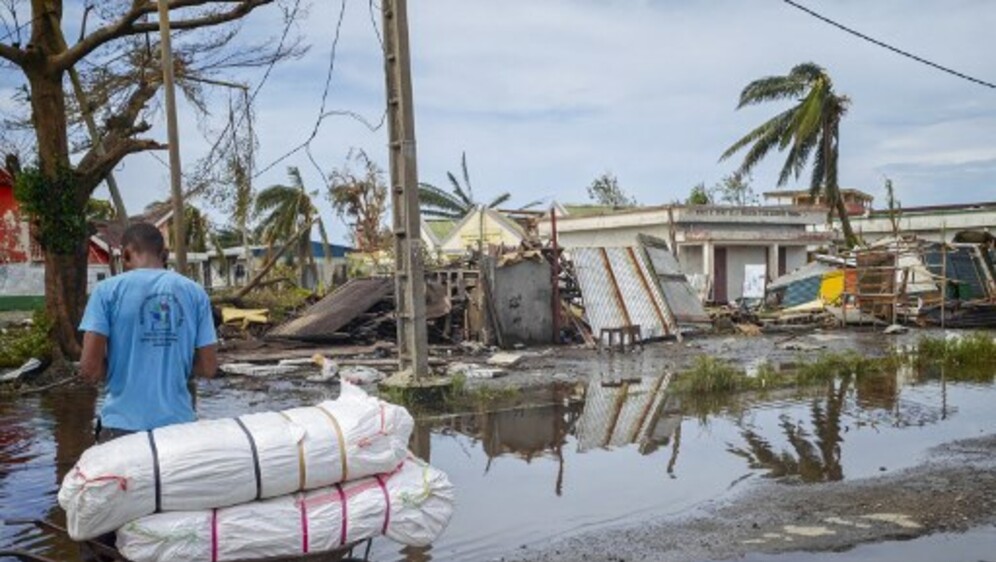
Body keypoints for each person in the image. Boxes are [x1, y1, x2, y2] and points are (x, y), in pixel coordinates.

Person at [79, 222, 218, 444]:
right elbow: (209, 367)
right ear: (165, 254)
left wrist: (120, 367)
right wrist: (174, 365)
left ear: (125, 254)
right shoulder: (195, 292)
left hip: (121, 429)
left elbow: (89, 368)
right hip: (180, 428)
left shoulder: (106, 292)